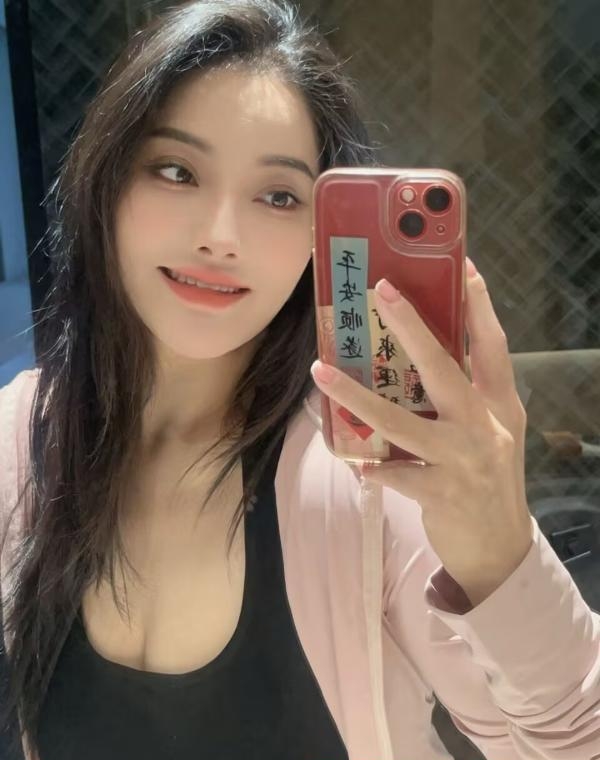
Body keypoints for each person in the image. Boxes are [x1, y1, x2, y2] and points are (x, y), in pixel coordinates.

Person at [0, 1, 597, 759]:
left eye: (278, 195)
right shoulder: (18, 443)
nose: (220, 236)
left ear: (322, 236)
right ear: (107, 184)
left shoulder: (367, 478)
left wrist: (501, 554)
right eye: (177, 171)